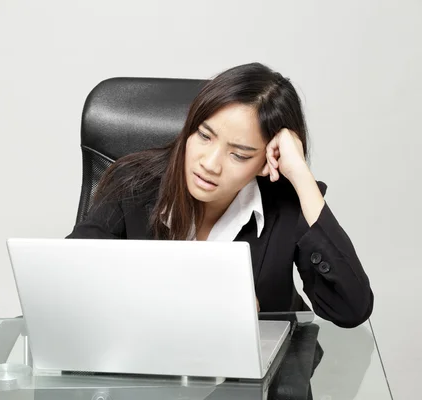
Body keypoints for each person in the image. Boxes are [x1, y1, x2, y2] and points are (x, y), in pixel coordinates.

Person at [67, 62, 373, 328]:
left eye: (239, 155)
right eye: (204, 136)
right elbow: (68, 276)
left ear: (267, 161)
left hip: (260, 383)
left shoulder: (288, 203)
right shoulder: (133, 181)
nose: (210, 164)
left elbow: (351, 310)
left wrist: (302, 177)